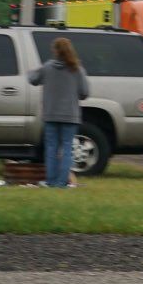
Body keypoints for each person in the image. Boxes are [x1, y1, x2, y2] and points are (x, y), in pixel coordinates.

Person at [26, 37, 90, 189]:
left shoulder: (47, 67)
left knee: (51, 148)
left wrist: (29, 71)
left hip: (51, 114)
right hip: (70, 115)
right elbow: (84, 93)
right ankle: (62, 182)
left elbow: (33, 79)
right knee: (67, 148)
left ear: (55, 51)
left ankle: (50, 181)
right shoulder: (77, 69)